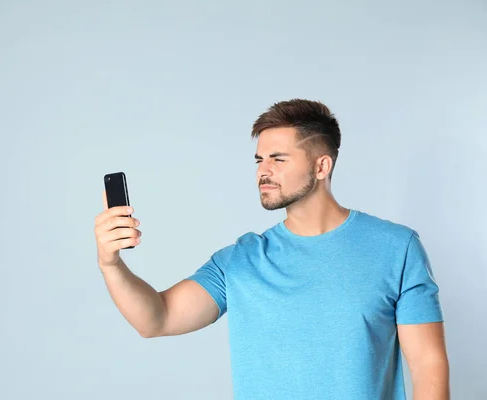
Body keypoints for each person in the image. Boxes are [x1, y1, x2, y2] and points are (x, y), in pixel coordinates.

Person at [94, 99, 450, 399]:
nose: (263, 172)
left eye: (278, 159)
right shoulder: (240, 260)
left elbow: (428, 367)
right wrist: (111, 264)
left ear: (321, 165)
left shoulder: (396, 248)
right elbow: (157, 318)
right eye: (258, 160)